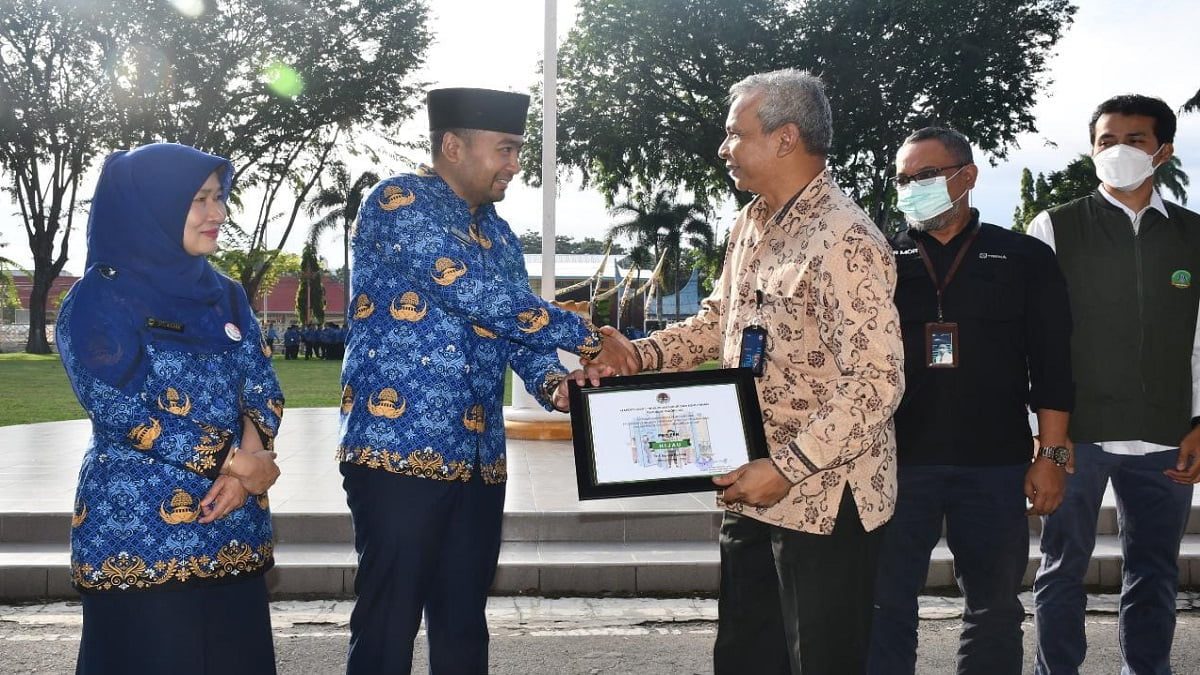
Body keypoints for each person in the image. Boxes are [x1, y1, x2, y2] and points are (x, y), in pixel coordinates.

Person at [593, 69, 904, 675]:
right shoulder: (751, 223)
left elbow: (877, 382)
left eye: (735, 133)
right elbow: (719, 322)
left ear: (785, 139)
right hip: (751, 486)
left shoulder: (845, 239)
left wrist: (787, 467)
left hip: (822, 498)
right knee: (744, 659)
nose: (723, 147)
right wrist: (639, 355)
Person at [338, 87, 610, 674]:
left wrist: (556, 384)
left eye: (518, 151)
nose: (515, 165)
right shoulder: (397, 202)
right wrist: (589, 335)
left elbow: (512, 328)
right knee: (388, 622)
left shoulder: (500, 234)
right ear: (453, 146)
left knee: (463, 622)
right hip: (397, 451)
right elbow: (470, 291)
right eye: (505, 149)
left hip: (480, 460)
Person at [55, 143, 284, 675]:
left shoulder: (227, 295)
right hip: (138, 535)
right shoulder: (99, 298)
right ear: (151, 207)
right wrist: (233, 462)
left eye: (219, 197)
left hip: (232, 527)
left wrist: (249, 467)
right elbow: (119, 407)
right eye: (199, 199)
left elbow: (262, 385)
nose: (217, 212)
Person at [866, 127, 1074, 675]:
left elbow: (1053, 364)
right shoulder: (877, 257)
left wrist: (1052, 456)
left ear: (967, 177)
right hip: (895, 463)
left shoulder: (1024, 256)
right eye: (903, 179)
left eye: (926, 176)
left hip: (995, 465)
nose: (911, 188)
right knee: (884, 606)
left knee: (994, 609)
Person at [1029, 94, 1200, 674]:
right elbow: (1037, 341)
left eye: (1134, 140)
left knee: (1155, 574)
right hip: (1076, 436)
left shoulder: (1193, 235)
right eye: (1106, 140)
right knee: (1060, 571)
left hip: (1167, 437)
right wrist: (1047, 440)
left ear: (1163, 152)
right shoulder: (1055, 226)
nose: (1118, 151)